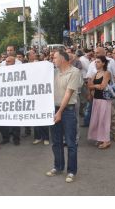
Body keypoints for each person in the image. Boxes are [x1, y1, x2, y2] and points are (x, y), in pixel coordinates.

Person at [46, 49, 81, 183]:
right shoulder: (53, 72)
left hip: (67, 111)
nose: (52, 60)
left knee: (71, 143)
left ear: (63, 59)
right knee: (56, 142)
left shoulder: (75, 72)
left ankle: (71, 171)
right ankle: (58, 166)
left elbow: (68, 94)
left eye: (54, 58)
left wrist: (60, 112)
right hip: (53, 110)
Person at [87, 56, 112, 149]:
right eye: (95, 62)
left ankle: (106, 140)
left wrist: (93, 86)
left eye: (98, 62)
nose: (96, 63)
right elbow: (89, 86)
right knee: (97, 120)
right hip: (96, 99)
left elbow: (102, 86)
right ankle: (101, 138)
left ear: (103, 63)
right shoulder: (95, 73)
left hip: (104, 99)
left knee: (104, 120)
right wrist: (94, 86)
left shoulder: (107, 73)